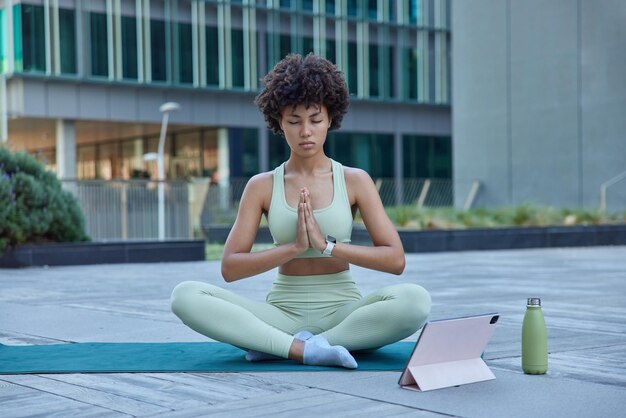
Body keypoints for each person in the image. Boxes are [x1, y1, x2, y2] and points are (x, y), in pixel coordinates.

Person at [171, 53, 431, 369]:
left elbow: (395, 260)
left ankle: (291, 346)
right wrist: (293, 248)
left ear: (330, 119)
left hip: (344, 313)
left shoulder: (354, 180)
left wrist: (326, 246)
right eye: (294, 121)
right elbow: (230, 267)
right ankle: (303, 348)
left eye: (315, 120)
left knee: (415, 301)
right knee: (185, 295)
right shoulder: (261, 185)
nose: (305, 131)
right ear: (279, 123)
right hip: (281, 313)